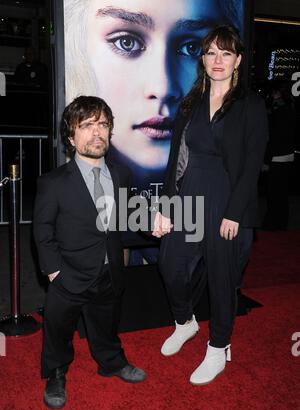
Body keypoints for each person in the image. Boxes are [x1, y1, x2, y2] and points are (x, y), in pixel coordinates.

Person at [64, 0, 244, 262]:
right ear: (77, 47)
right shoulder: (72, 185)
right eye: (126, 42)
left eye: (192, 47)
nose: (163, 87)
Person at [154, 25, 268, 385]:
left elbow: (252, 164)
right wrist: (165, 207)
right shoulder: (190, 104)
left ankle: (218, 347)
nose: (218, 60)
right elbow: (176, 160)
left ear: (238, 60)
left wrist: (235, 212)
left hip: (227, 199)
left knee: (222, 279)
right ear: (202, 59)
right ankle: (185, 322)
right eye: (211, 53)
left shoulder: (250, 105)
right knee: (170, 264)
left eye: (226, 53)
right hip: (190, 193)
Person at [33, 96, 147, 410]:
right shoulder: (53, 183)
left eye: (102, 125)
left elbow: (129, 215)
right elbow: (42, 230)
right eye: (86, 126)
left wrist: (154, 221)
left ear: (110, 131)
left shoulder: (122, 175)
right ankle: (56, 373)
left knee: (106, 323)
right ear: (71, 137)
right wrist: (54, 270)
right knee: (58, 328)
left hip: (110, 270)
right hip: (68, 272)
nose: (96, 132)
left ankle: (111, 362)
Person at [262, 82, 296, 230]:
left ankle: (273, 223)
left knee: (274, 193)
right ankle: (281, 222)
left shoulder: (276, 111)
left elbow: (273, 138)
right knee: (282, 193)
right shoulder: (290, 109)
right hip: (288, 155)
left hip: (276, 157)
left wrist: (266, 160)